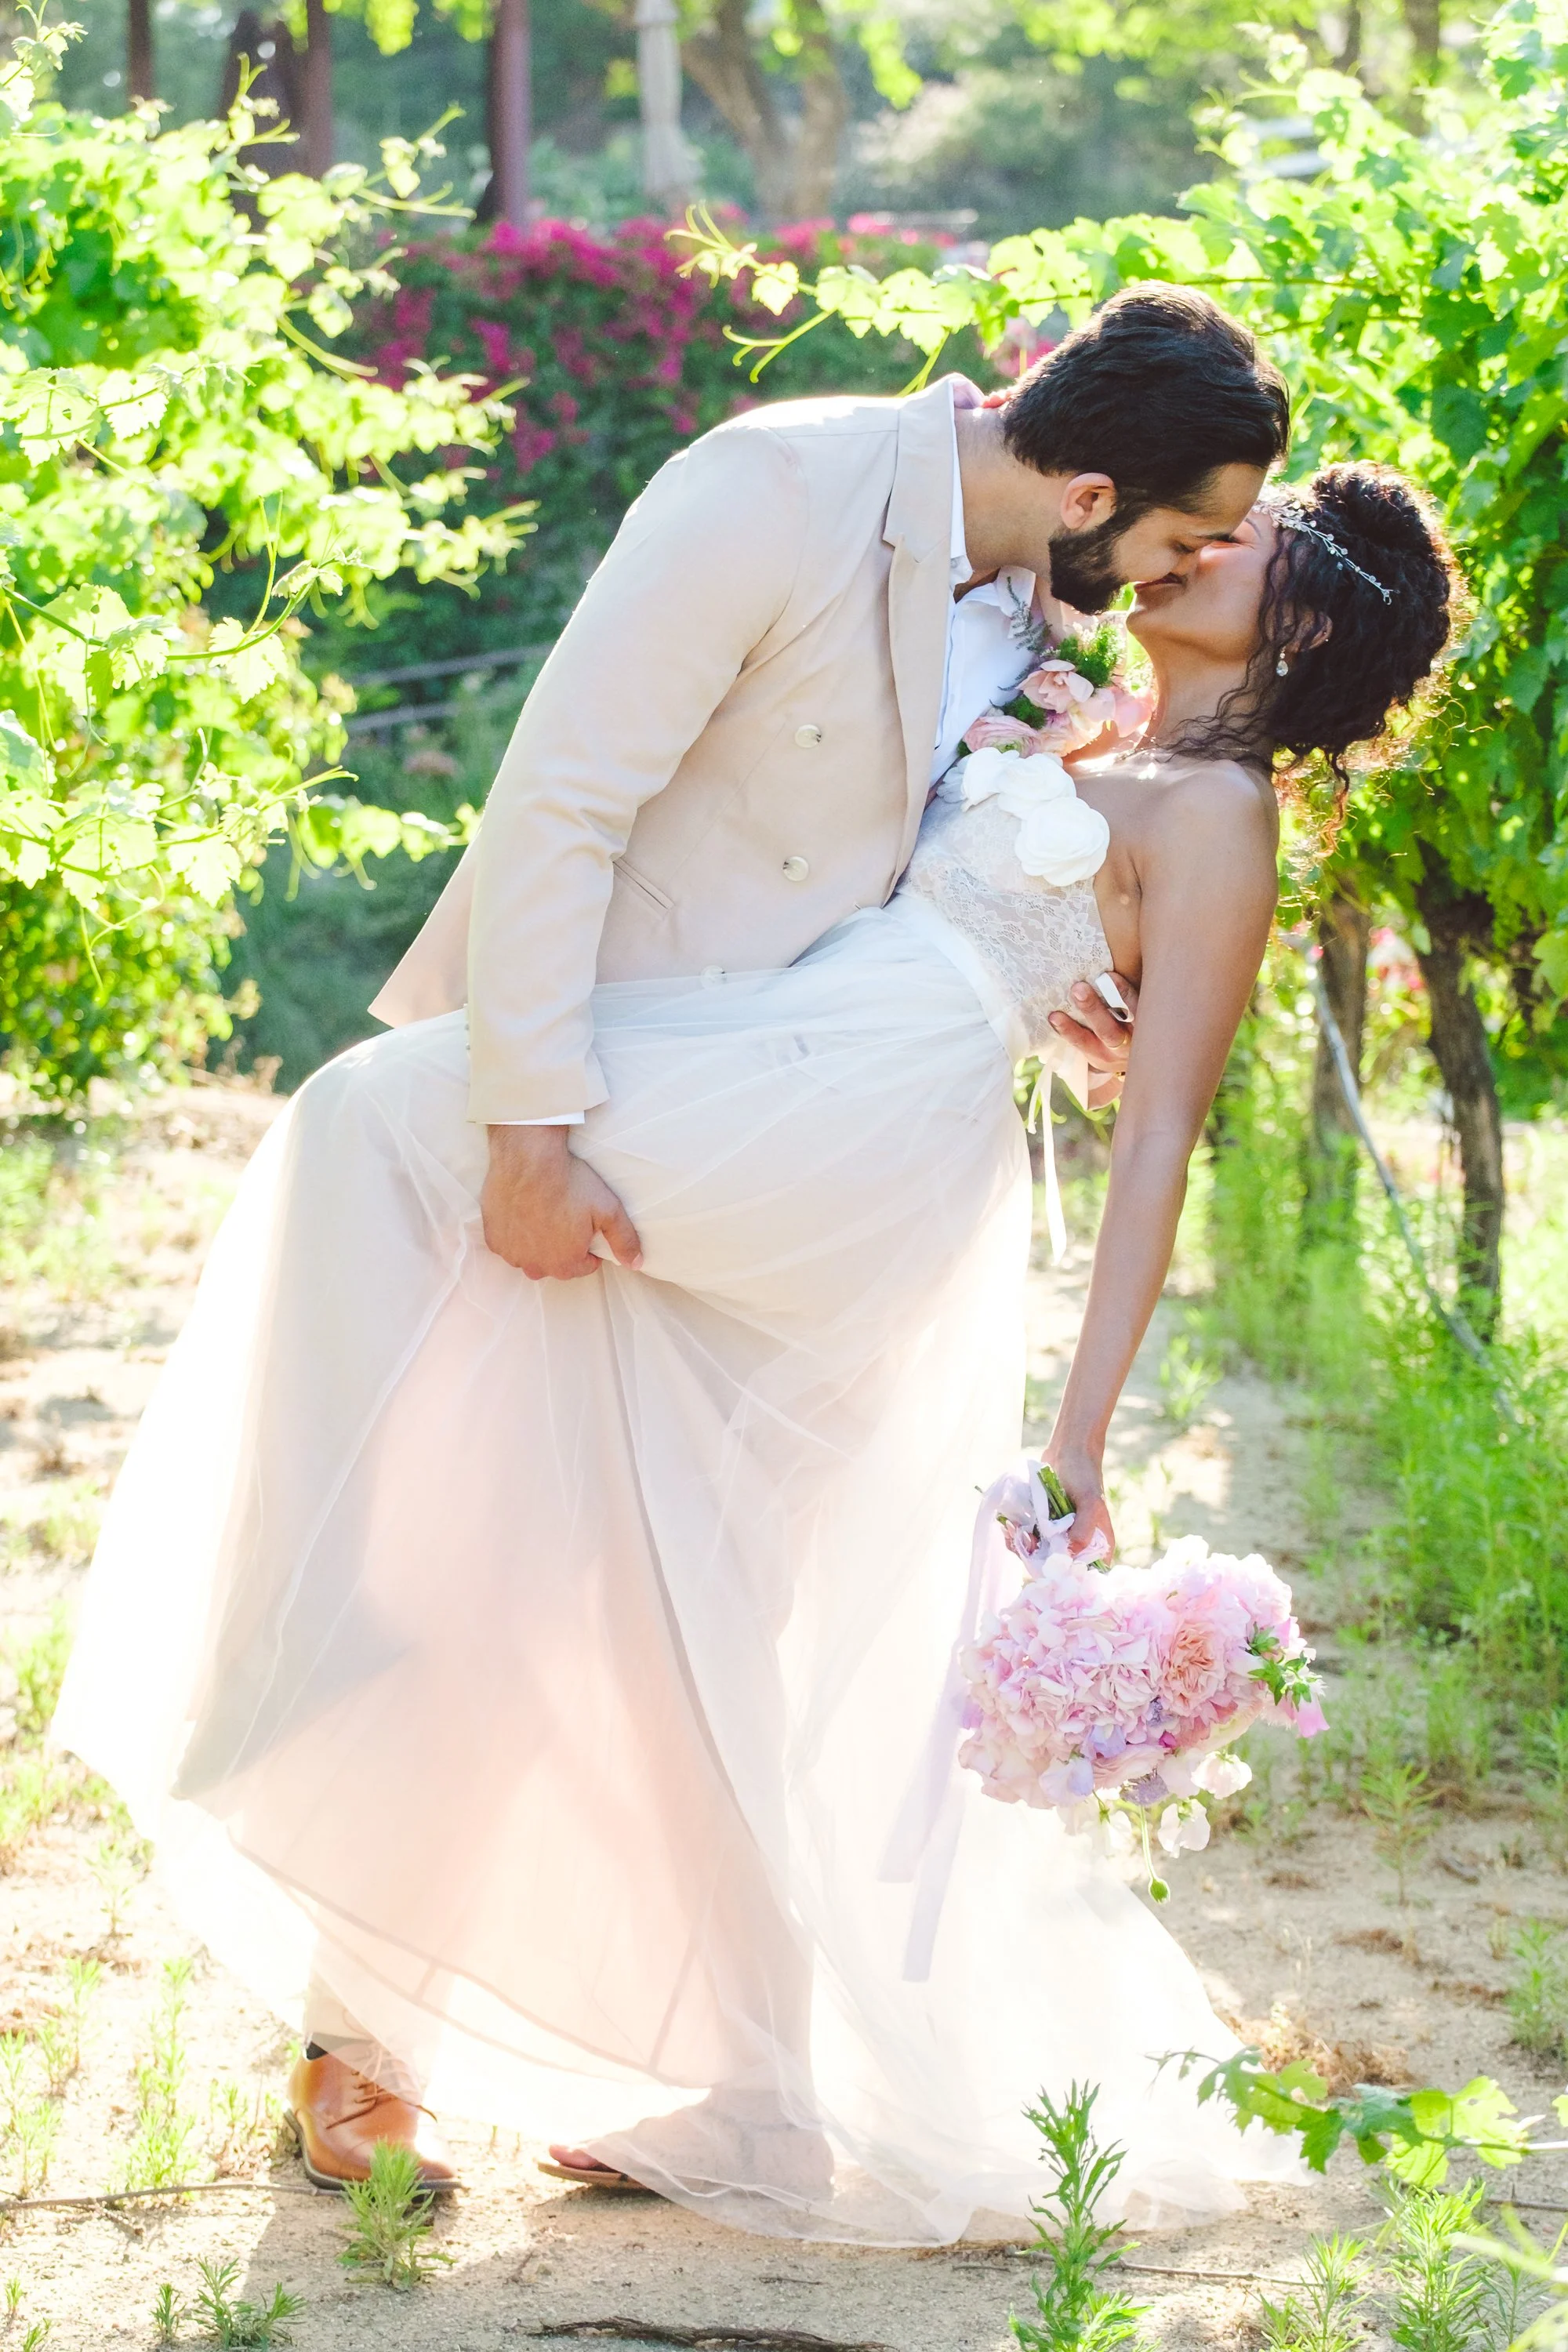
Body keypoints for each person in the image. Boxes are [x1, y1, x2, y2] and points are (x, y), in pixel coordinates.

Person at [55, 317, 1450, 2245]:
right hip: (772, 1071)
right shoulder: (1022, 668)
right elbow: (921, 895)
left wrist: (1081, 1424)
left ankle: (483, 2011)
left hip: (833, 1143)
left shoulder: (1213, 814)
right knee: (647, 1573)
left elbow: (1155, 1149)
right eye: (1199, 528)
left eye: (1241, 554)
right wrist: (1043, 986)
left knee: (390, 1138)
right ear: (1095, 488)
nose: (1192, 560)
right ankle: (697, 2065)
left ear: (1290, 636)